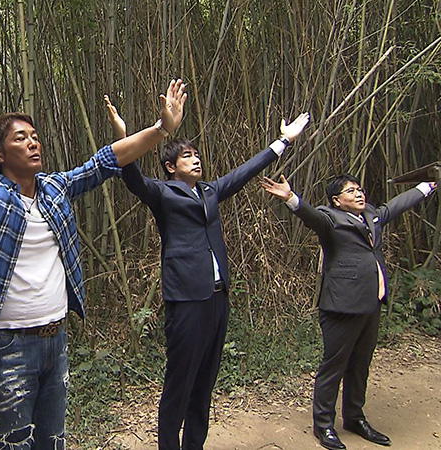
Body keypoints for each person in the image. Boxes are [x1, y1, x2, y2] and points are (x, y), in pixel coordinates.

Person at [0, 33, 186, 449]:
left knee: (52, 440)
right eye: (20, 138)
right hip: (8, 342)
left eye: (34, 136)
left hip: (55, 338)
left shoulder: (55, 189)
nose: (33, 141)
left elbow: (106, 160)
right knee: (12, 444)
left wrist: (162, 128)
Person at [105, 96, 309, 450]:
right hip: (186, 299)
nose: (196, 158)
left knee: (204, 382)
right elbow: (131, 176)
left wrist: (284, 140)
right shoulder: (162, 193)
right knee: (179, 382)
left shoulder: (211, 192)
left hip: (217, 298)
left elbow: (247, 170)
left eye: (197, 154)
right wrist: (123, 136)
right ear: (170, 167)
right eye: (187, 155)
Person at [260, 174, 436, 450]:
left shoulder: (371, 215)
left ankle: (354, 417)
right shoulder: (330, 218)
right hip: (342, 304)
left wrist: (425, 187)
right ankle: (324, 425)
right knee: (334, 366)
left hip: (371, 302)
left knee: (360, 365)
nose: (358, 194)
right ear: (336, 200)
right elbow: (311, 218)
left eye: (359, 189)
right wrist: (291, 199)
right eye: (350, 191)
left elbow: (397, 205)